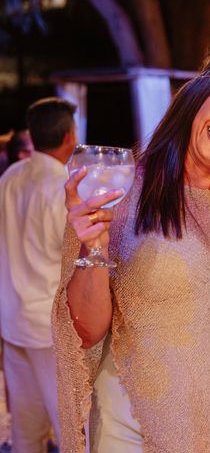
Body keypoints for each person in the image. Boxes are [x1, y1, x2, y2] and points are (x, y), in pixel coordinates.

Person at [52, 48, 210, 452]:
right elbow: (84, 330)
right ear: (194, 100)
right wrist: (93, 246)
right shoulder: (120, 191)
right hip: (139, 429)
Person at [0, 97, 77, 452]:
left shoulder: (10, 177)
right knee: (72, 430)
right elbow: (75, 261)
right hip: (50, 330)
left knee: (26, 433)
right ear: (69, 137)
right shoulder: (65, 188)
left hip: (13, 321)